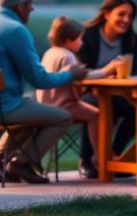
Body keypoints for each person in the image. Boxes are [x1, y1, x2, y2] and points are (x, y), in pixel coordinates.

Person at [0, 0, 88, 184]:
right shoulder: (15, 30)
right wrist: (70, 75)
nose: (33, 7)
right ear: (20, 6)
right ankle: (22, 164)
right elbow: (39, 80)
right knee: (63, 117)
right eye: (30, 3)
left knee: (34, 108)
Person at [75, 0, 137, 179]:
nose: (126, 20)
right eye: (121, 14)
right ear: (106, 14)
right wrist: (107, 71)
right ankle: (86, 160)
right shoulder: (87, 35)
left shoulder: (132, 39)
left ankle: (113, 157)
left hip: (118, 93)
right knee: (96, 104)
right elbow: (81, 73)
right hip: (86, 91)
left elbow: (132, 72)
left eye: (130, 16)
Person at [36, 16, 120, 160]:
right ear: (69, 40)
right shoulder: (67, 56)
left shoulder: (49, 53)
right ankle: (102, 156)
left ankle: (101, 155)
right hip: (63, 105)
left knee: (93, 110)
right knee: (97, 115)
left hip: (45, 105)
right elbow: (82, 77)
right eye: (79, 39)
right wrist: (107, 71)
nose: (82, 42)